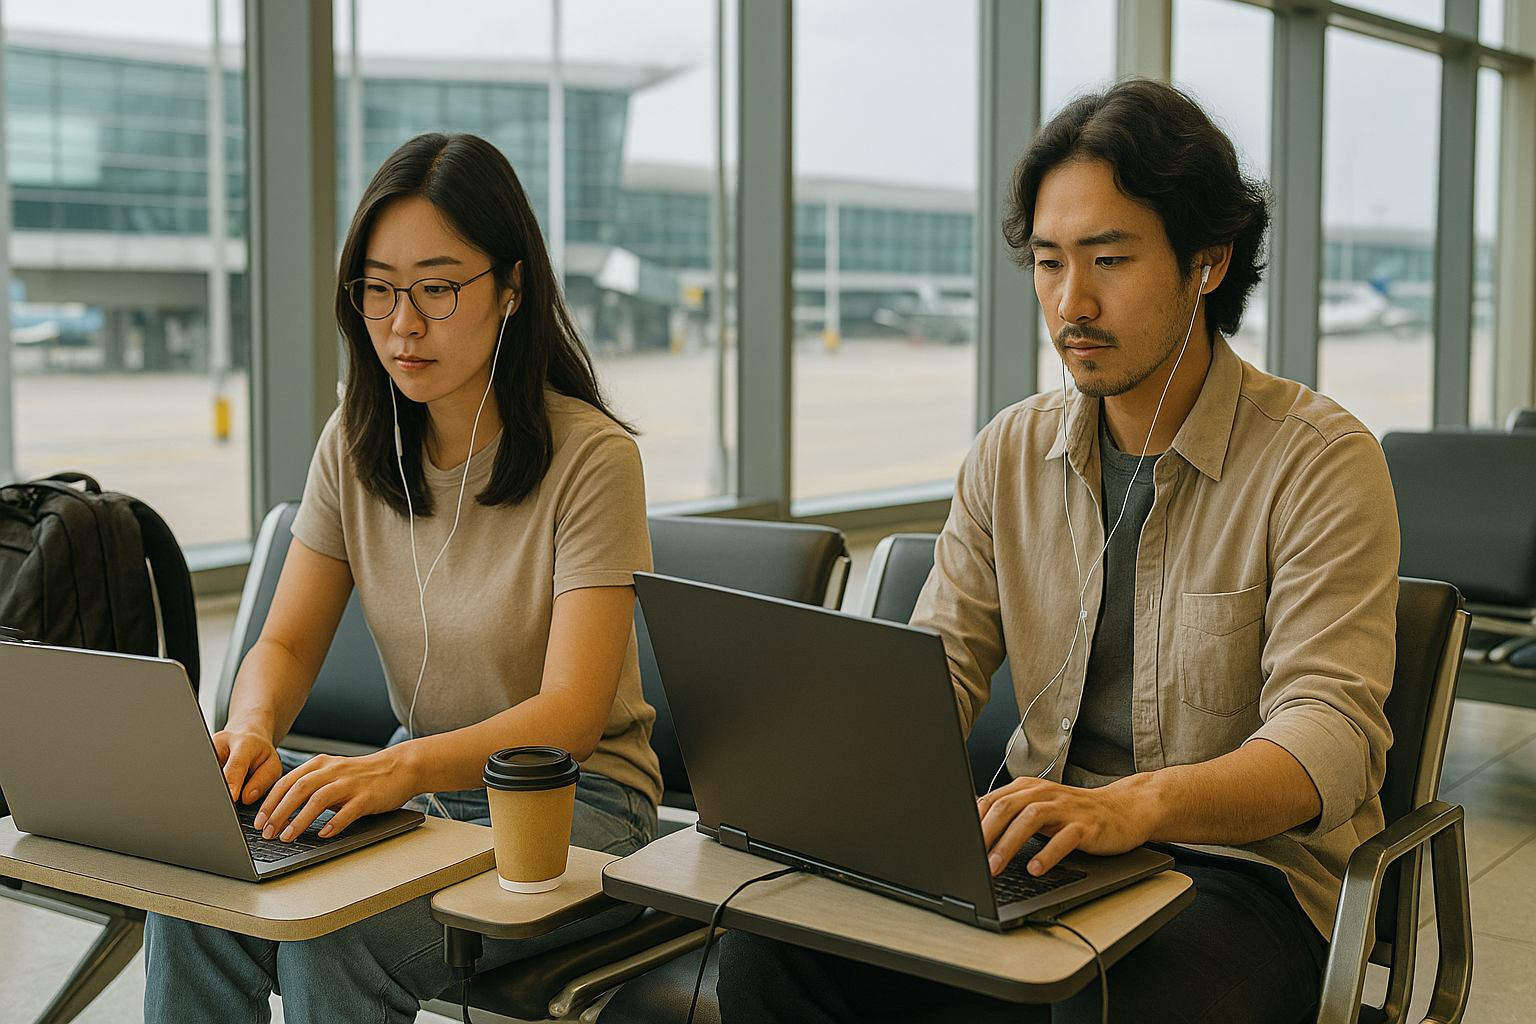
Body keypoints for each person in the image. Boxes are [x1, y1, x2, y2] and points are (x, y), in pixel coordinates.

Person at [719, 79, 1399, 1023]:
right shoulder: (1011, 451)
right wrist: (822, 778)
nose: (1070, 302)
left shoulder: (1320, 461)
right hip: (1045, 854)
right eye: (1047, 263)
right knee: (773, 950)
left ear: (1207, 261)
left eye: (1109, 259)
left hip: (1241, 883)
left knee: (1097, 1005)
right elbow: (938, 671)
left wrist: (1138, 807)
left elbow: (1329, 738)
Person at [143, 133, 662, 1023]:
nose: (402, 324)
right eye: (378, 289)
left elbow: (571, 715)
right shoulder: (356, 440)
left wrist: (394, 769)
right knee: (195, 904)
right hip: (420, 793)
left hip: (572, 812)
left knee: (336, 933)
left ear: (511, 287)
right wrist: (253, 724)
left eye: (436, 287)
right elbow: (284, 640)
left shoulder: (592, 458)